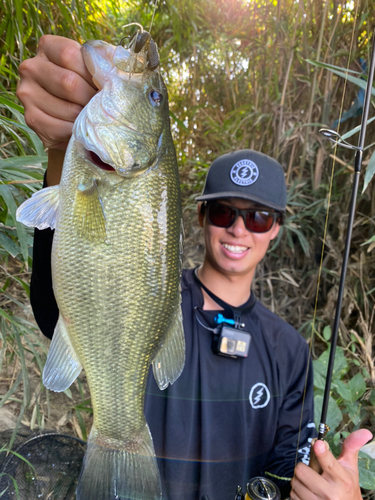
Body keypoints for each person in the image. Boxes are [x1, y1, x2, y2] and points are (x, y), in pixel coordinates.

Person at [17, 35, 372, 500]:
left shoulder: (288, 352)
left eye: (258, 216)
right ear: (202, 218)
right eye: (224, 211)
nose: (239, 228)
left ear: (276, 230)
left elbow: (288, 468)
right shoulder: (160, 299)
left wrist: (328, 491)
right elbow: (53, 309)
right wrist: (62, 154)